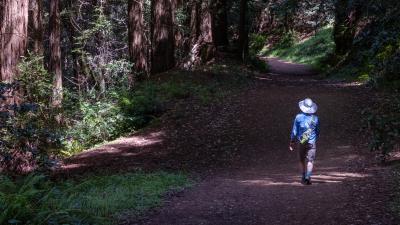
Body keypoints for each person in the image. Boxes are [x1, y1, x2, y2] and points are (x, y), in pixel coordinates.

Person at [289, 98, 320, 185]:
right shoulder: (316, 118)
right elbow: (318, 132)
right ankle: (308, 177)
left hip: (301, 141)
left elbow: (294, 130)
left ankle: (303, 177)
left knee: (301, 160)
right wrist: (313, 139)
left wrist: (292, 141)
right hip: (311, 142)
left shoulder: (298, 117)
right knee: (310, 161)